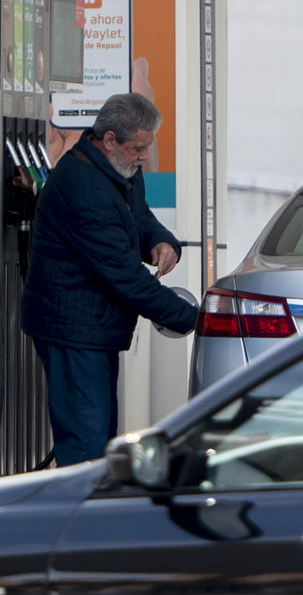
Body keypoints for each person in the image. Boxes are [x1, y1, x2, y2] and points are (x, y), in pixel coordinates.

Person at [21, 92, 198, 466]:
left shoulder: (121, 170)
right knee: (86, 446)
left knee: (100, 442)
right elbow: (125, 276)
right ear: (110, 140)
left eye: (148, 147)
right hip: (72, 330)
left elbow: (139, 217)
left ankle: (91, 516)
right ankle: (80, 520)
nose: (144, 157)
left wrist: (162, 241)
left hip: (95, 329)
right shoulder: (83, 186)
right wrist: (192, 319)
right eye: (138, 148)